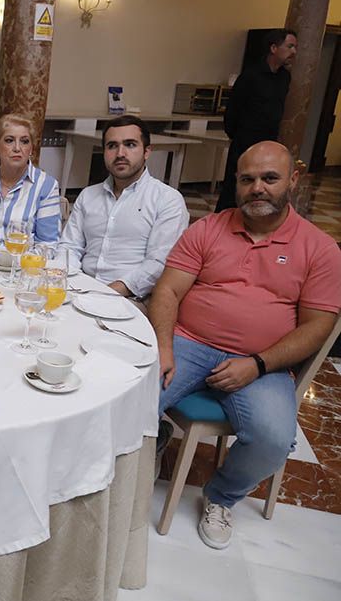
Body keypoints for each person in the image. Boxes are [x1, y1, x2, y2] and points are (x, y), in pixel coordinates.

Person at [151, 141, 341, 549]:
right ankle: (131, 467)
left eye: (270, 178)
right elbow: (167, 291)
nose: (258, 187)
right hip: (190, 342)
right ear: (236, 182)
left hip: (264, 363)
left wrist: (257, 364)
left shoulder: (320, 249)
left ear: (293, 180)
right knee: (133, 396)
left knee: (274, 438)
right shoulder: (208, 228)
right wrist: (164, 348)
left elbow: (317, 326)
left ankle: (220, 496)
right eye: (248, 179)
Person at [59, 114, 189, 299]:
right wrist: (68, 282)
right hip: (80, 290)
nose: (120, 153)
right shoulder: (88, 195)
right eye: (112, 146)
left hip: (130, 299)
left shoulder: (167, 200)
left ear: (146, 151)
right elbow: (69, 247)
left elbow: (158, 263)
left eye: (130, 144)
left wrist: (105, 293)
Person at [216, 28, 298, 212]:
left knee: (264, 188)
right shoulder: (251, 76)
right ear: (274, 48)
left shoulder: (284, 77)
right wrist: (239, 137)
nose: (294, 51)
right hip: (245, 142)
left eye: (295, 47)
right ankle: (221, 227)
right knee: (234, 186)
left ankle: (257, 221)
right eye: (290, 46)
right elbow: (232, 112)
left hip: (269, 143)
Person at [0, 113, 61, 242]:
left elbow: (48, 245)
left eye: (24, 141)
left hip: (20, 259)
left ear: (31, 148)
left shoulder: (47, 186)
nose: (17, 148)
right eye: (9, 140)